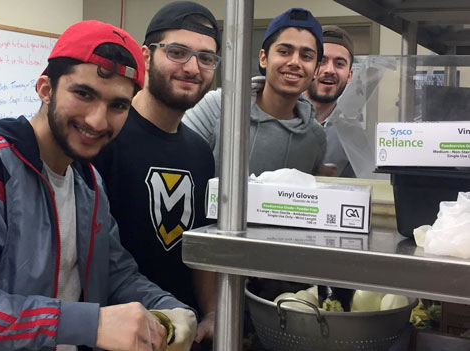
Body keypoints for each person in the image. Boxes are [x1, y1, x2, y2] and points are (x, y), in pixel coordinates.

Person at [0, 20, 197, 351]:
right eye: (83, 94)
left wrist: (170, 307)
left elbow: (115, 274)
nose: (98, 120)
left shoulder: (89, 181)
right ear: (45, 89)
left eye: (118, 105)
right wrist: (89, 325)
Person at [92, 1, 218, 346]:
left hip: (180, 331)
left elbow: (202, 246)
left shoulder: (200, 151)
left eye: (206, 58)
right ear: (146, 56)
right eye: (178, 52)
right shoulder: (103, 135)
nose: (193, 67)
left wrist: (209, 314)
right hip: (113, 333)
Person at [183, 8, 327, 177]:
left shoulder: (316, 138)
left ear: (316, 69)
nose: (294, 62)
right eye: (284, 52)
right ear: (263, 58)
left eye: (306, 56)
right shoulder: (217, 107)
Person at [305, 25, 356, 177]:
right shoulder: (276, 122)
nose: (330, 70)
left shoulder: (353, 138)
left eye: (339, 64)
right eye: (322, 61)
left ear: (349, 76)